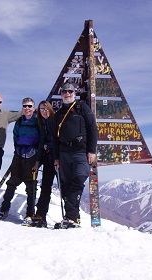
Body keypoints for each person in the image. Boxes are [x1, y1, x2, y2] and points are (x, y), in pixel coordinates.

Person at [53, 83, 98, 229]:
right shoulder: (59, 114)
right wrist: (56, 158)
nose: (67, 93)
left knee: (78, 179)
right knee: (66, 185)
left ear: (74, 93)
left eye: (70, 91)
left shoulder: (82, 108)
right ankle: (73, 218)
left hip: (80, 152)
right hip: (64, 153)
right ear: (61, 94)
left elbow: (92, 128)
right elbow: (54, 138)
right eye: (65, 91)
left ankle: (71, 217)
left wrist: (91, 151)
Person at [0, 97, 40, 225]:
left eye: (29, 106)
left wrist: (37, 152)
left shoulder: (38, 121)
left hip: (32, 157)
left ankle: (29, 214)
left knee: (31, 186)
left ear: (33, 107)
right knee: (12, 183)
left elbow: (41, 136)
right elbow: (15, 135)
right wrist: (17, 150)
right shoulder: (19, 121)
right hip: (19, 155)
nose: (27, 109)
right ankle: (4, 210)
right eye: (25, 106)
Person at [31, 101, 56, 228]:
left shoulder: (56, 120)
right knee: (45, 186)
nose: (44, 111)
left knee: (66, 188)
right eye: (41, 109)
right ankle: (40, 215)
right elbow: (41, 143)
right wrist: (37, 161)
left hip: (60, 158)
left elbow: (61, 138)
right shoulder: (42, 124)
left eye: (46, 109)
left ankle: (71, 216)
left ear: (50, 109)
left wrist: (49, 145)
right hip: (48, 160)